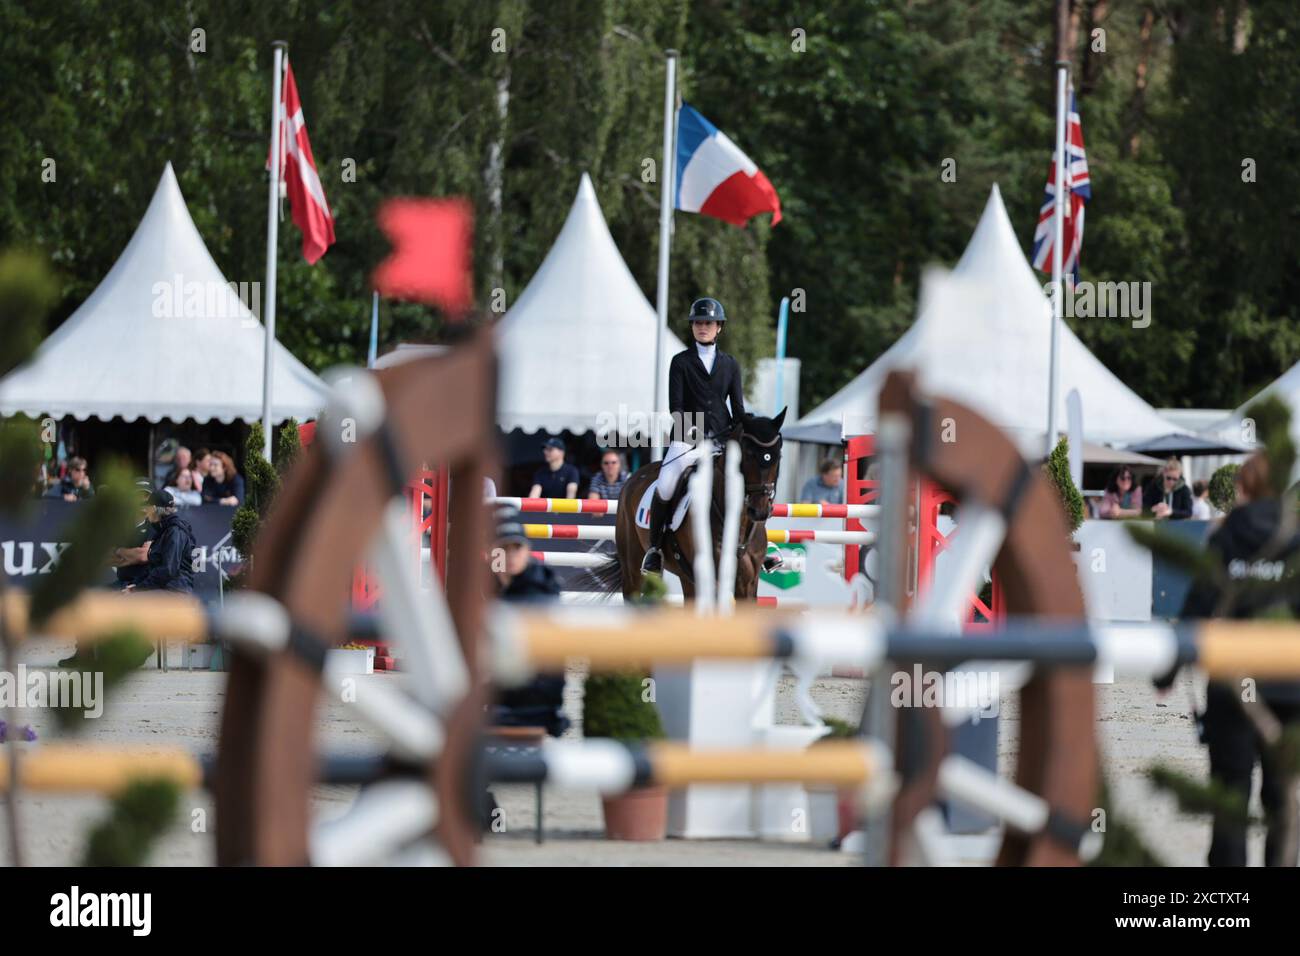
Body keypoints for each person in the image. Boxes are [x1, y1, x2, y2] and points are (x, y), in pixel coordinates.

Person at [1173, 453, 1300, 866]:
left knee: (1230, 794)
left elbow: (1198, 604)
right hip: (1289, 687)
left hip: (1233, 685)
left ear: (1242, 489)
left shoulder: (1225, 536)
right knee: (1283, 797)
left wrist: (1166, 669)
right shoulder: (1294, 536)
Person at [643, 297, 745, 574]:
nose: (703, 327)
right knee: (666, 482)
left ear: (719, 327)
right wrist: (695, 434)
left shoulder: (730, 364)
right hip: (687, 437)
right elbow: (675, 405)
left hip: (722, 439)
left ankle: (763, 545)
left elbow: (737, 408)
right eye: (698, 322)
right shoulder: (681, 362)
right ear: (692, 327)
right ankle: (654, 549)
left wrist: (744, 433)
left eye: (708, 323)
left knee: (749, 483)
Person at [489, 505, 568, 735]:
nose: (511, 555)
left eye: (517, 548)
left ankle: (653, 549)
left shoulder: (537, 591)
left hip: (528, 706)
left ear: (527, 550)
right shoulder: (496, 583)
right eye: (504, 548)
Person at [128, 490, 196, 593]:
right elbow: (153, 568)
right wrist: (137, 585)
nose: (146, 511)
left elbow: (168, 571)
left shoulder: (174, 531)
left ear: (154, 509)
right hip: (163, 588)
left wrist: (139, 588)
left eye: (148, 507)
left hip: (175, 590)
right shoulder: (163, 530)